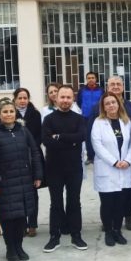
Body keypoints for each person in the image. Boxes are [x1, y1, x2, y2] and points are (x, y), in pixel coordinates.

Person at [0, 98, 43, 261]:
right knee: (8, 219)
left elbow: (35, 152)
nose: (9, 114)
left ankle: (19, 247)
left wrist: (38, 175)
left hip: (24, 181)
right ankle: (10, 249)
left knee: (20, 218)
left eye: (11, 111)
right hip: (5, 184)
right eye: (5, 112)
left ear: (15, 113)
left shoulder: (23, 131)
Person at [88, 75, 131, 231]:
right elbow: (91, 137)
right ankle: (108, 221)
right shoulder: (96, 109)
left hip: (126, 162)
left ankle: (128, 216)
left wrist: (130, 159)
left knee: (127, 190)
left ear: (123, 87)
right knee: (108, 195)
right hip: (106, 162)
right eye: (112, 84)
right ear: (107, 88)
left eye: (118, 84)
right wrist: (92, 156)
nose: (116, 87)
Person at [42, 85, 88, 252]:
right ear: (56, 98)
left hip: (74, 168)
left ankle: (76, 235)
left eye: (68, 97)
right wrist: (70, 141)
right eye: (62, 97)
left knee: (74, 201)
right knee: (56, 203)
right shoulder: (49, 119)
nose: (65, 101)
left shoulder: (79, 119)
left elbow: (81, 136)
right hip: (54, 168)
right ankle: (55, 236)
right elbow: (46, 141)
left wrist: (59, 137)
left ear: (73, 99)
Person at [13, 87, 43, 238]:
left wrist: (31, 147)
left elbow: (39, 134)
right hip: (16, 156)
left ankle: (32, 224)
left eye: (25, 98)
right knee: (19, 193)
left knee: (33, 192)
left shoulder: (35, 114)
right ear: (15, 99)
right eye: (20, 98)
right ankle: (21, 224)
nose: (23, 101)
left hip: (32, 155)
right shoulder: (11, 113)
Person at [79, 71, 104, 165]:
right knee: (88, 137)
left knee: (99, 136)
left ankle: (99, 155)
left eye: (92, 78)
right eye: (89, 78)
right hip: (85, 117)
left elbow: (103, 102)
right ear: (86, 79)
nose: (91, 79)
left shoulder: (101, 90)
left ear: (96, 79)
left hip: (98, 116)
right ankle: (90, 157)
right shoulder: (82, 90)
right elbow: (79, 102)